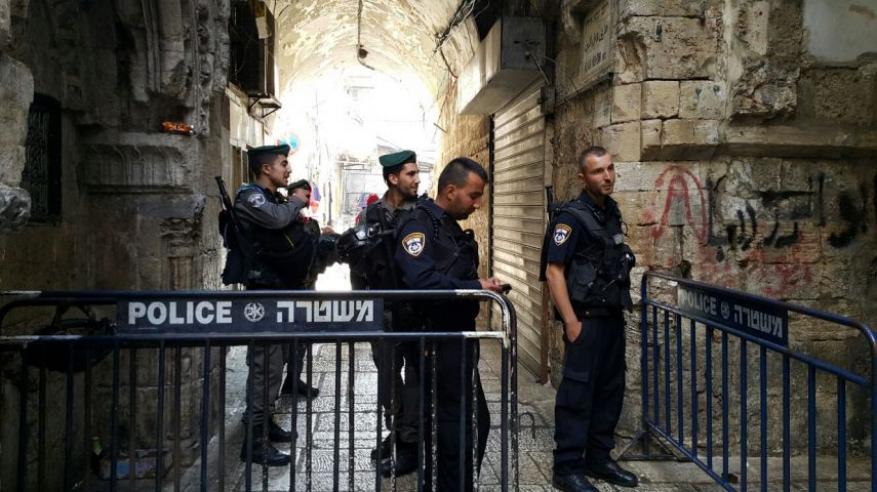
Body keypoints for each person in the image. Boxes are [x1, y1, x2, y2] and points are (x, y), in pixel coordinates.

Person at [394, 157, 503, 491]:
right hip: (434, 343)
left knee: (469, 423)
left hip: (455, 341)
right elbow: (420, 281)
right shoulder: (419, 225)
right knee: (455, 427)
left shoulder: (447, 227)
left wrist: (477, 286)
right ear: (451, 190)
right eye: (474, 195)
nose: (477, 203)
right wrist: (475, 287)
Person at [540, 146, 638, 491]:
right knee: (577, 394)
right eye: (598, 171)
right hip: (584, 319)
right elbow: (554, 272)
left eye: (610, 169)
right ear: (583, 177)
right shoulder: (570, 218)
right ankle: (567, 468)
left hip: (611, 317)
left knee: (610, 390)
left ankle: (598, 459)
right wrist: (570, 322)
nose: (607, 176)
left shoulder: (610, 211)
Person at [337, 150, 421, 476]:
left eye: (417, 173)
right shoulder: (371, 216)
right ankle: (398, 430)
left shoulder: (423, 212)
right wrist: (360, 306)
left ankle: (410, 439)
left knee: (416, 375)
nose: (417, 179)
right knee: (388, 376)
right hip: (382, 310)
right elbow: (357, 267)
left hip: (416, 311)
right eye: (411, 174)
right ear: (393, 178)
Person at [233, 144, 313, 467]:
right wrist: (295, 201)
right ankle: (253, 442)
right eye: (283, 164)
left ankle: (265, 424)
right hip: (262, 296)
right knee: (264, 366)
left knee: (274, 366)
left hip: (276, 292)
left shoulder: (271, 198)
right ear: (266, 169)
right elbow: (278, 220)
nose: (288, 169)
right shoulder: (250, 198)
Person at [277, 178, 338, 399]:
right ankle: (269, 393)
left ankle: (293, 380)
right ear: (291, 195)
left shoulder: (310, 223)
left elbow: (315, 254)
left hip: (307, 286)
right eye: (304, 192)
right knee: (281, 342)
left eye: (308, 192)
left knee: (303, 337)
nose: (308, 195)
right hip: (286, 289)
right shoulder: (282, 219)